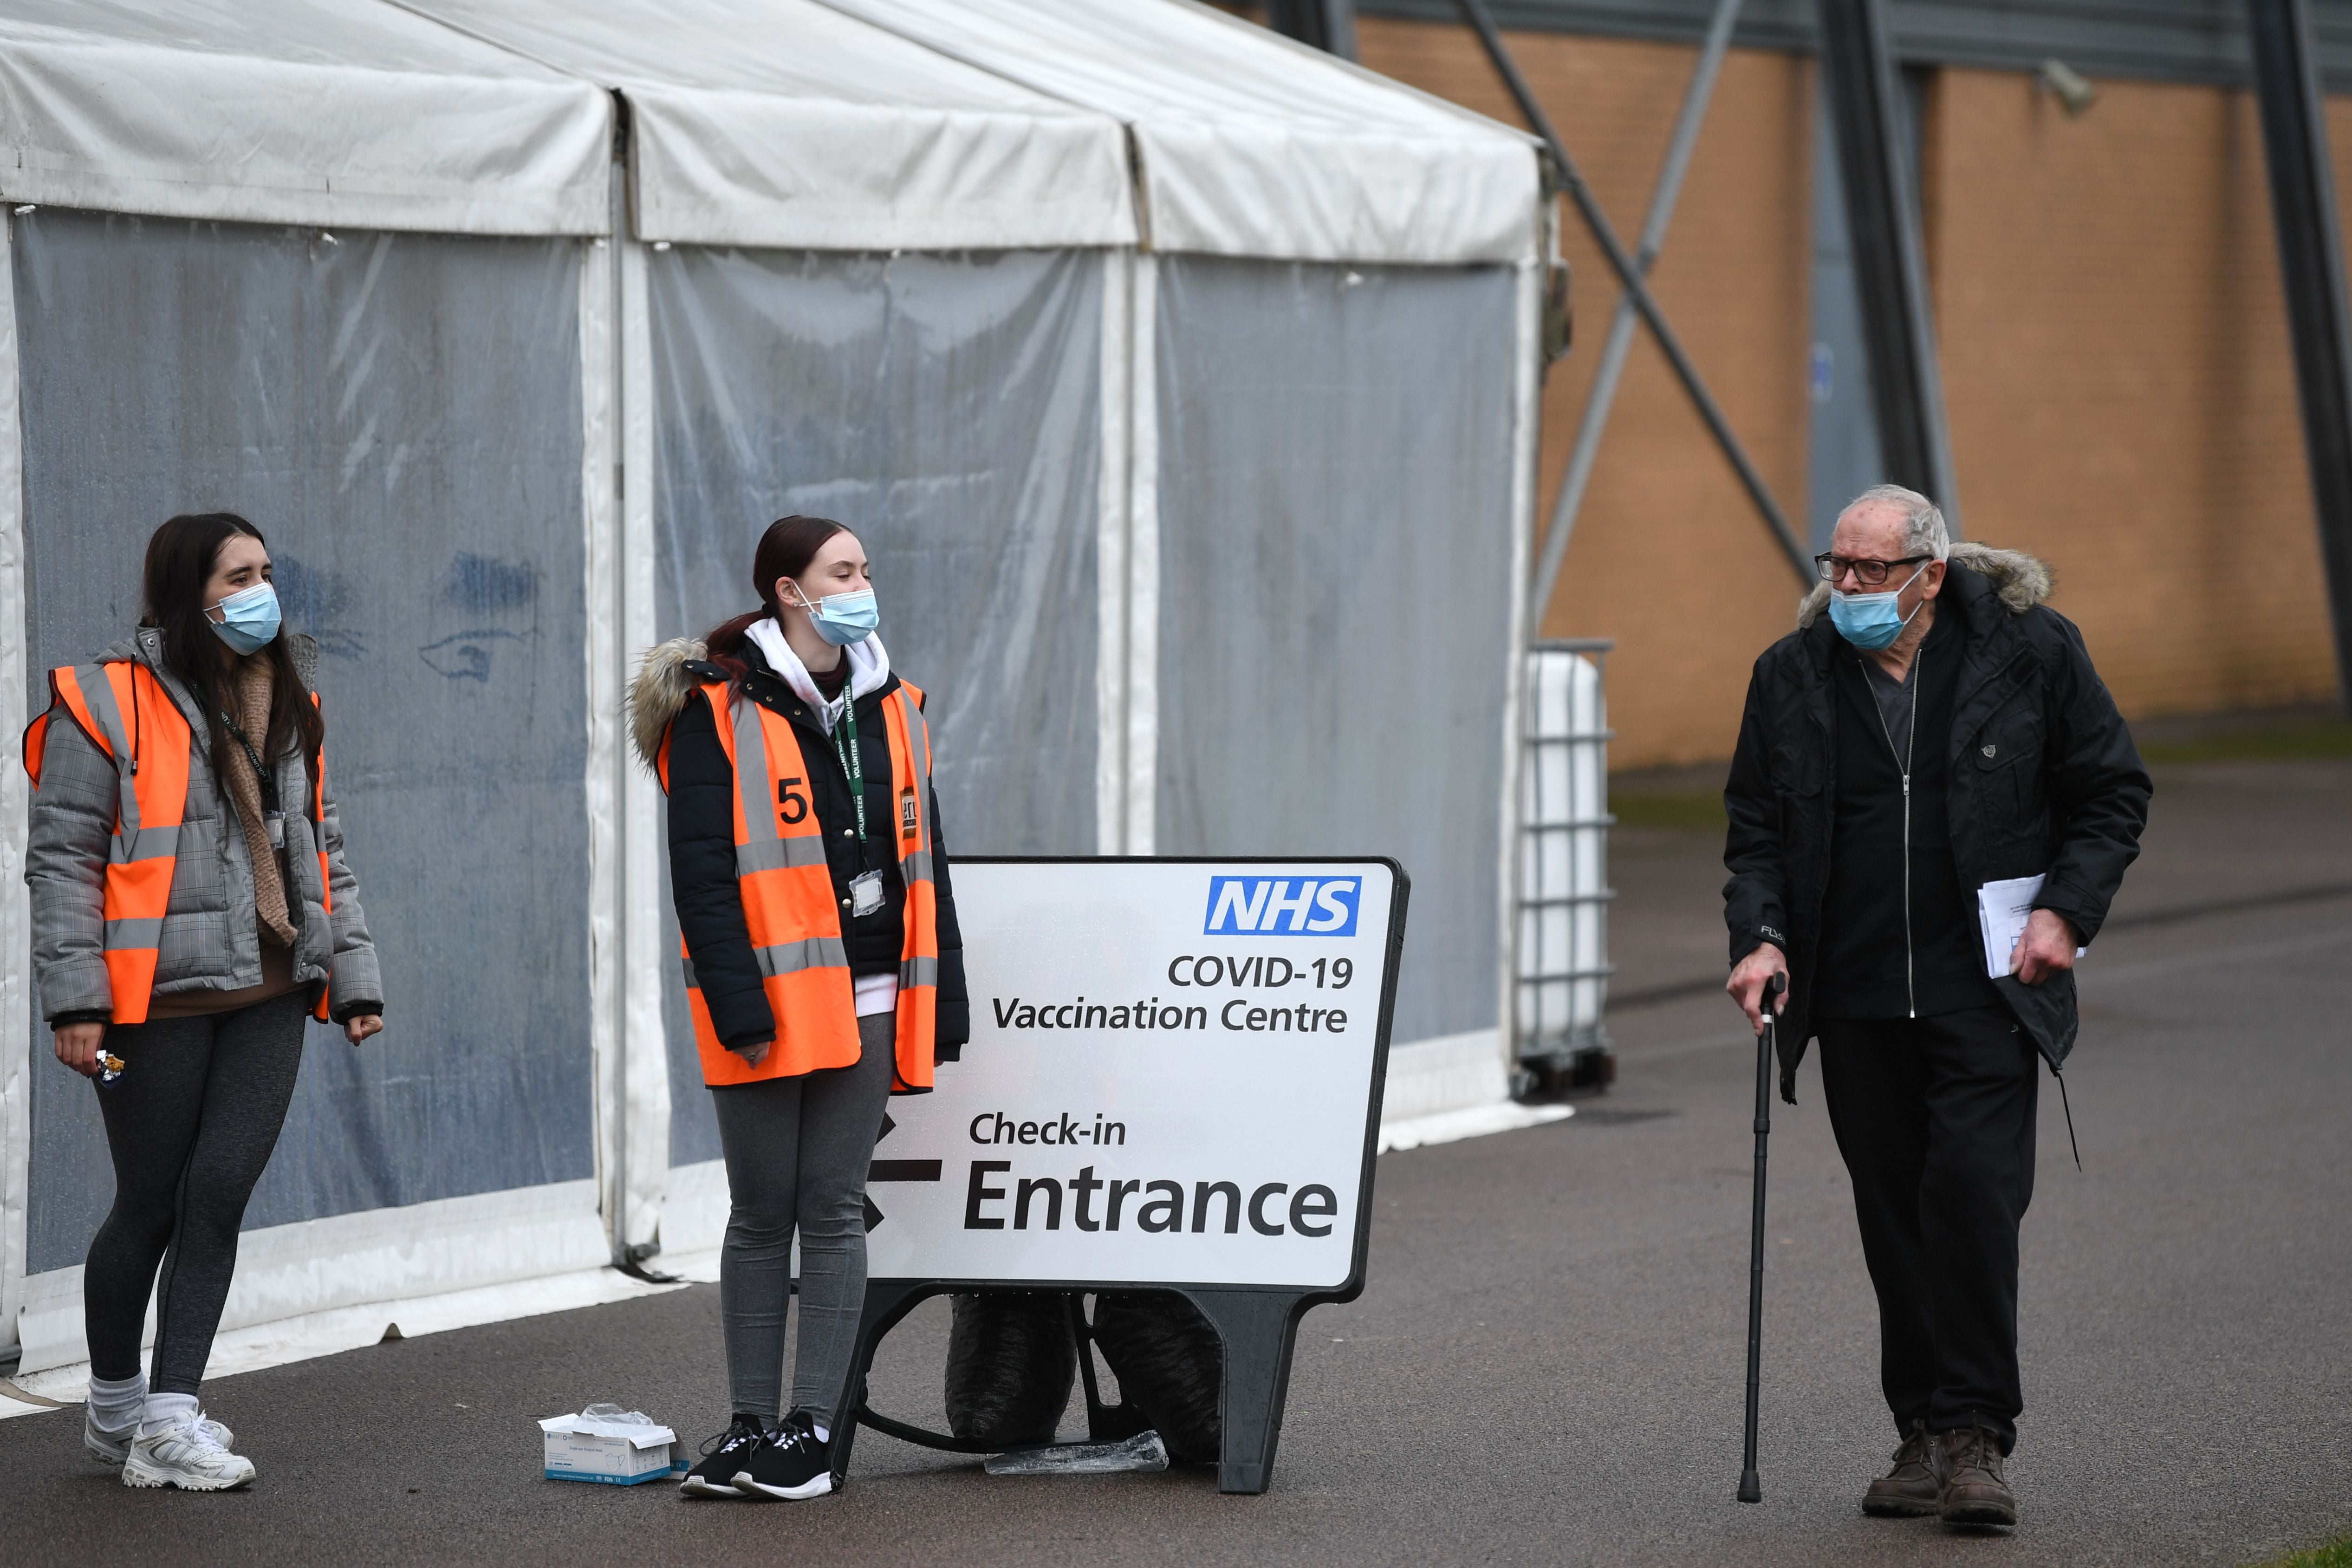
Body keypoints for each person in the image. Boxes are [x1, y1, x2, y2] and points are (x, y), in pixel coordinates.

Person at [1722, 485, 2149, 1530]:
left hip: (1987, 985)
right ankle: (1918, 1431)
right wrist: (1761, 937)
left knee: (1967, 1197)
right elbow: (1755, 831)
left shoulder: (2030, 652)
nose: (1849, 588)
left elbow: (2110, 793)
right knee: (1895, 1215)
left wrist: (2066, 911)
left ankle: (1973, 1439)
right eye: (1837, 566)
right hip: (1857, 992)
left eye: (1871, 571)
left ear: (1931, 572)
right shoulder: (1790, 677)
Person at [24, 513, 383, 1492]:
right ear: (190, 593)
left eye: (268, 571)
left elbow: (323, 846)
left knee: (217, 1193)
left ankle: (170, 1415)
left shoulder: (290, 695)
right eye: (240, 575)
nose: (263, 590)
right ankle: (113, 1406)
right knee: (148, 1204)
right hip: (149, 1008)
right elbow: (62, 863)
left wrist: (352, 976)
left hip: (271, 990)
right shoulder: (100, 701)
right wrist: (74, 1007)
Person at [629, 514, 969, 1501]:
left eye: (864, 568)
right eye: (844, 570)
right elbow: (699, 874)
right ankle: (747, 1427)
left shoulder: (895, 703)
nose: (865, 583)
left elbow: (927, 862)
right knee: (758, 1212)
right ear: (790, 589)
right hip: (769, 1005)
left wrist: (940, 990)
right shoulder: (715, 708)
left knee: (830, 1210)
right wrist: (738, 1004)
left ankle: (811, 1433)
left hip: (870, 1000)